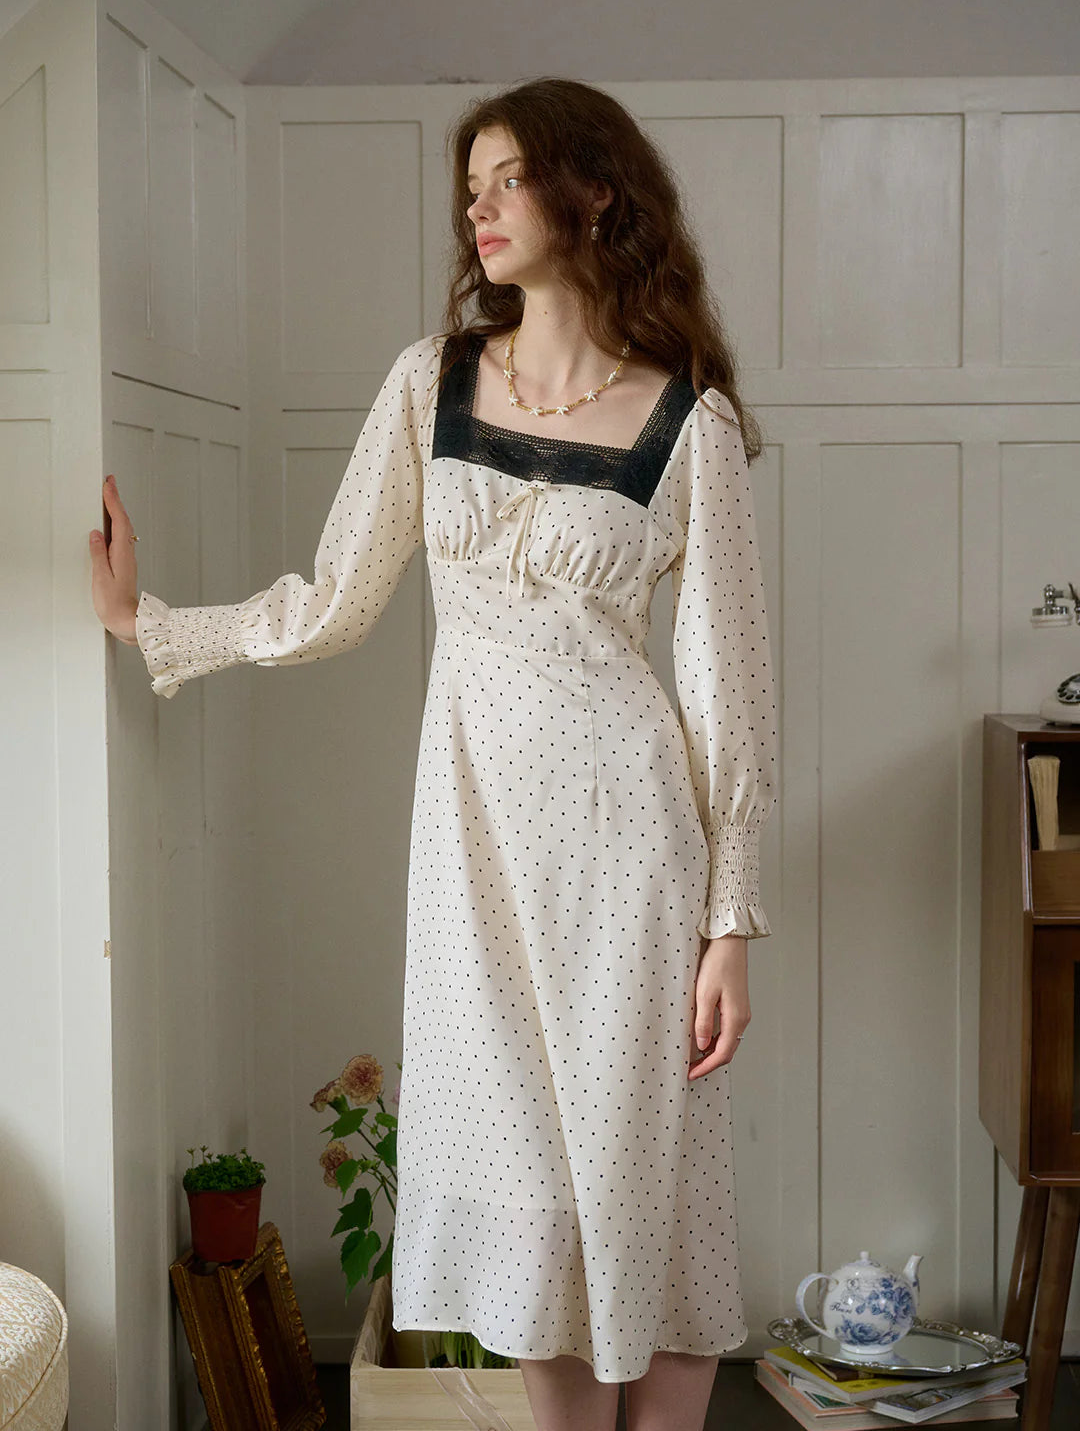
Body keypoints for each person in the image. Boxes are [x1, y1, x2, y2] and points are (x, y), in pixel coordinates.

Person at [89, 76, 776, 1431]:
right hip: (474, 851)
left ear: (594, 193)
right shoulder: (432, 384)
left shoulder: (687, 423)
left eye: (509, 179)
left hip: (633, 851)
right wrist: (152, 624)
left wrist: (731, 925)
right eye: (471, 186)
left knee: (648, 1188)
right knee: (531, 1217)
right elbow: (336, 598)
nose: (480, 208)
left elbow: (729, 694)